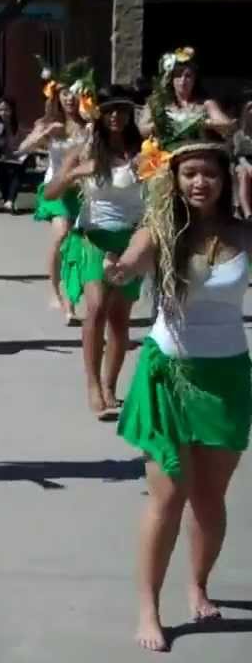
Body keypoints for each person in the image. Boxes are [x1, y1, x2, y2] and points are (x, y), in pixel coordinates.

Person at [104, 133, 248, 653]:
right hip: (170, 375)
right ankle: (149, 608)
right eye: (189, 173)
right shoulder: (161, 230)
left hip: (226, 376)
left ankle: (199, 585)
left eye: (210, 173)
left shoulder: (244, 233)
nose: (200, 182)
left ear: (226, 180)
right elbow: (133, 257)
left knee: (211, 501)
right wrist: (118, 267)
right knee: (168, 496)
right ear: (176, 179)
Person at [45, 85, 145, 417]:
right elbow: (50, 193)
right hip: (93, 238)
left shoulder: (144, 150)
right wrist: (74, 172)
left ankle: (109, 386)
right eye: (109, 110)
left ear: (130, 114)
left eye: (122, 110)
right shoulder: (85, 150)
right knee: (97, 308)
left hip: (131, 242)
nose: (115, 116)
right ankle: (91, 385)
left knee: (119, 320)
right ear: (99, 114)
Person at [20, 60, 93, 324]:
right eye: (64, 94)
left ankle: (71, 300)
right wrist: (45, 134)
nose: (69, 99)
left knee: (78, 244)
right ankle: (55, 292)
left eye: (73, 93)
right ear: (57, 97)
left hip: (81, 191)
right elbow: (22, 149)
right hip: (54, 189)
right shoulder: (49, 123)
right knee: (62, 234)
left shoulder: (90, 124)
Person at [143, 47, 234, 140]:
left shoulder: (206, 103)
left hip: (197, 150)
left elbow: (227, 126)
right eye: (178, 75)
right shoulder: (157, 102)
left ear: (195, 79)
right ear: (171, 79)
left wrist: (201, 123)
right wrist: (160, 125)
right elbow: (142, 131)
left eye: (188, 76)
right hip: (166, 152)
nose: (183, 81)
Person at [0, 97, 28, 213]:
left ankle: (9, 201)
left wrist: (18, 153)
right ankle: (9, 201)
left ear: (12, 111)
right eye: (1, 110)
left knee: (21, 166)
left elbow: (24, 143)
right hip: (0, 158)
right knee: (0, 167)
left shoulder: (19, 126)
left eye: (6, 110)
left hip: (16, 157)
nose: (3, 113)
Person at [233, 96, 252, 218]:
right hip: (243, 164)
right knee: (243, 173)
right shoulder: (239, 135)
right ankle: (248, 213)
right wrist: (249, 167)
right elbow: (239, 156)